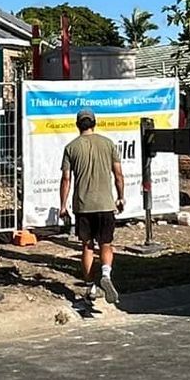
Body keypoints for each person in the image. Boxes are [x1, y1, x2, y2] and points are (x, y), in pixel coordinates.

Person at [58, 110, 125, 311]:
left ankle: (90, 287)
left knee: (87, 246)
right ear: (94, 123)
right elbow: (118, 174)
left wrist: (63, 206)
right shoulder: (108, 144)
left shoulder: (71, 147)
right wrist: (121, 196)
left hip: (83, 205)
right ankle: (105, 274)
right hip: (105, 204)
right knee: (106, 244)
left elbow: (66, 179)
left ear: (77, 125)